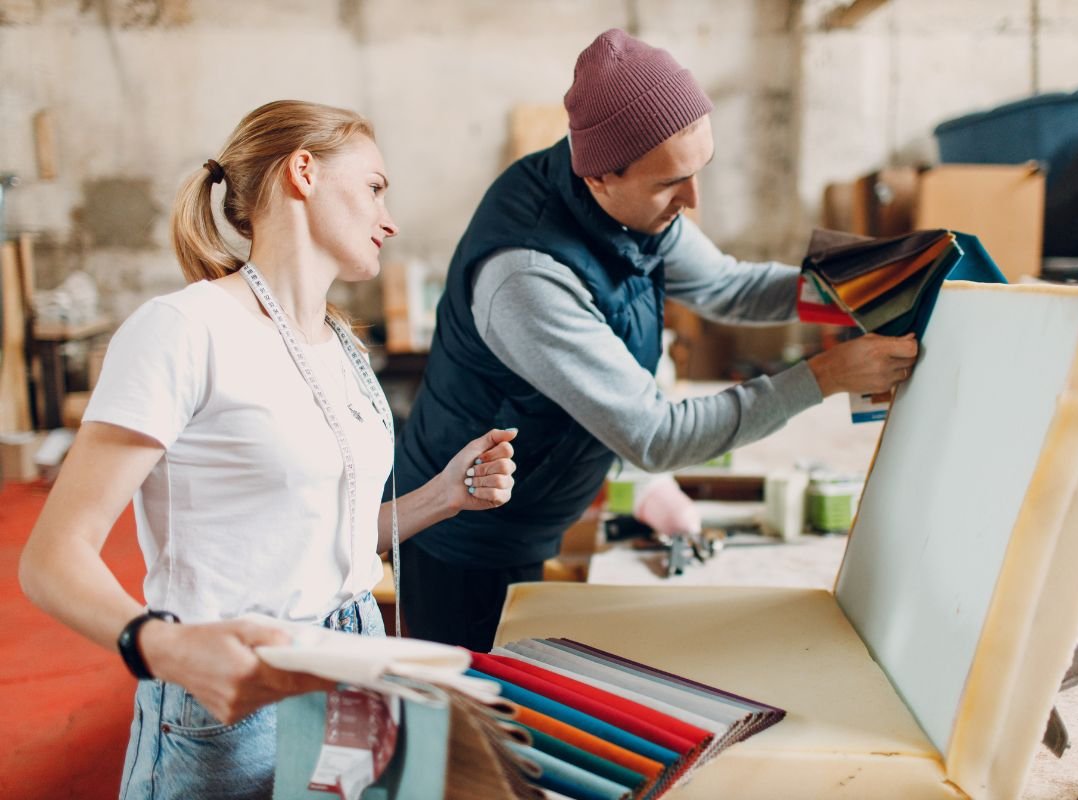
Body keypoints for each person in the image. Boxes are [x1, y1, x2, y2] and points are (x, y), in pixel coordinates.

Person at [18, 100, 517, 800]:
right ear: (303, 172)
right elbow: (50, 559)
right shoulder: (183, 330)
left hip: (356, 663)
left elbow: (321, 540)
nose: (391, 217)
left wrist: (445, 495)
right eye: (375, 187)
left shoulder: (342, 346)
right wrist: (166, 648)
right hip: (233, 687)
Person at [391, 29, 919, 652]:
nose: (692, 199)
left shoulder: (630, 207)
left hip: (535, 515)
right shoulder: (526, 277)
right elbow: (655, 435)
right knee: (486, 736)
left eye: (699, 172)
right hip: (465, 548)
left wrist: (863, 285)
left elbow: (728, 287)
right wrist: (826, 377)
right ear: (601, 177)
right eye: (672, 183)